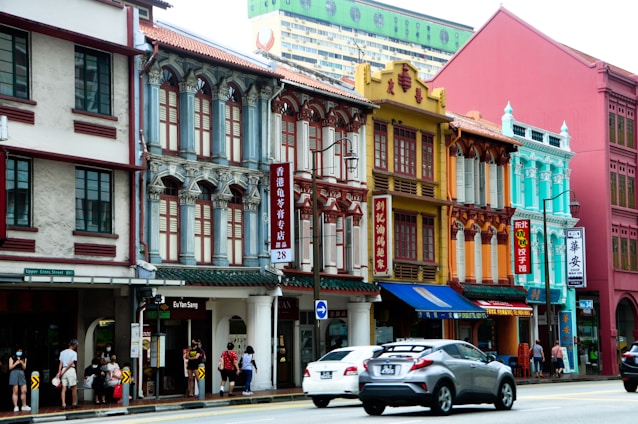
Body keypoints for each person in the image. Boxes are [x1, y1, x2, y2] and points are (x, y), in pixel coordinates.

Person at [57, 339, 79, 410]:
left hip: (63, 369)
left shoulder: (62, 352)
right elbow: (71, 363)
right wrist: (65, 370)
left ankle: (63, 404)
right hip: (70, 370)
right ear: (74, 345)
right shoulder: (74, 353)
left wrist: (59, 371)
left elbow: (61, 363)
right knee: (74, 387)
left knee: (64, 388)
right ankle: (74, 403)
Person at [8, 346, 30, 412]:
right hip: (14, 372)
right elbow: (10, 367)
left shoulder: (24, 358)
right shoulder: (12, 357)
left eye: (21, 351)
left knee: (24, 390)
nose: (20, 352)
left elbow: (24, 367)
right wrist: (16, 363)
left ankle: (24, 405)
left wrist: (22, 362)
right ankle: (15, 406)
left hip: (21, 372)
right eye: (18, 351)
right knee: (15, 391)